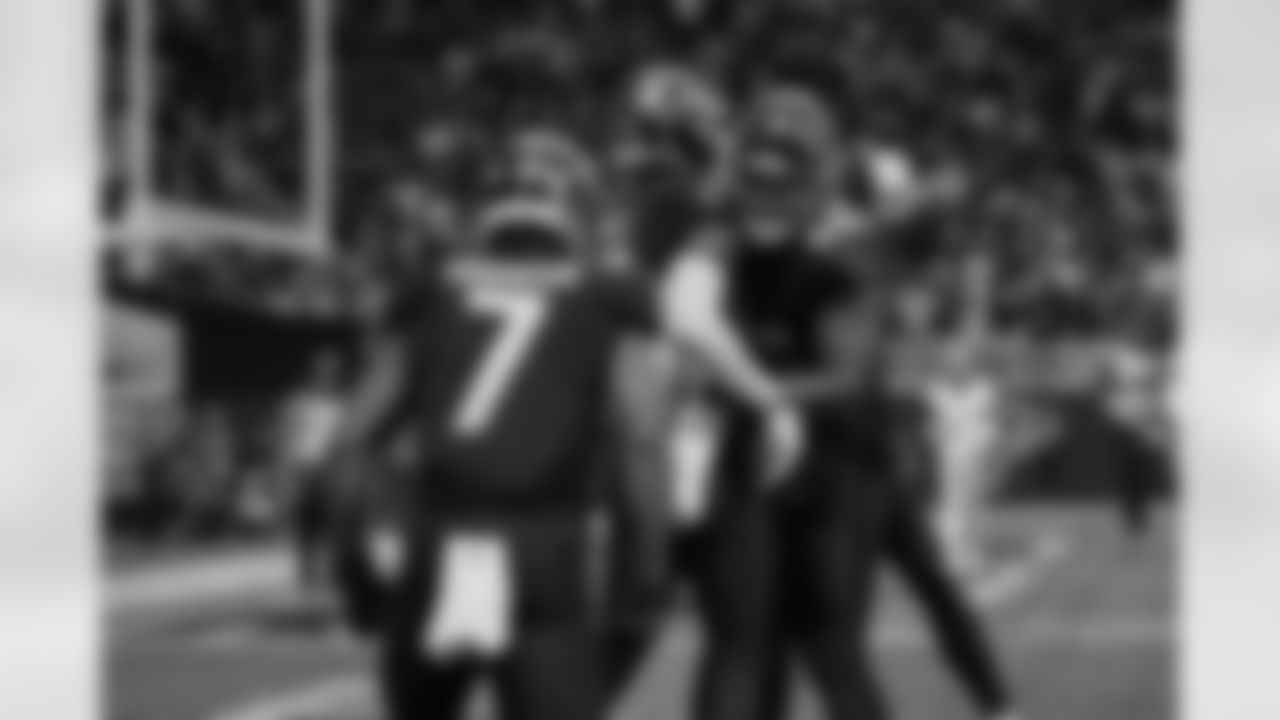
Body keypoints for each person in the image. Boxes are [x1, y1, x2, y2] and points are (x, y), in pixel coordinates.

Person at [321, 131, 804, 720]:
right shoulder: (605, 298)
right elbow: (641, 443)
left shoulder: (432, 292)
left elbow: (349, 444)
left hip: (438, 540)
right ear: (577, 212)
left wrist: (354, 571)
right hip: (541, 550)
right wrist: (644, 574)